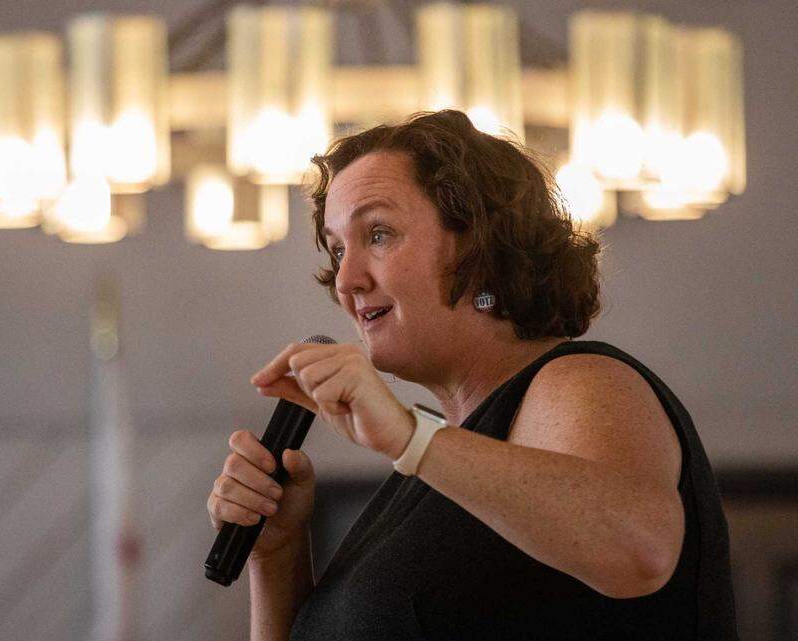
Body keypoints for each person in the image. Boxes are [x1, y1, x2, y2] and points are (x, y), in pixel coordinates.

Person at [205, 110, 738, 640]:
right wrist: (276, 555)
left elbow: (640, 550)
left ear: (480, 247)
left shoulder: (579, 381)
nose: (346, 279)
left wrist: (407, 434)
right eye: (339, 247)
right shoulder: (433, 467)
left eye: (380, 234)